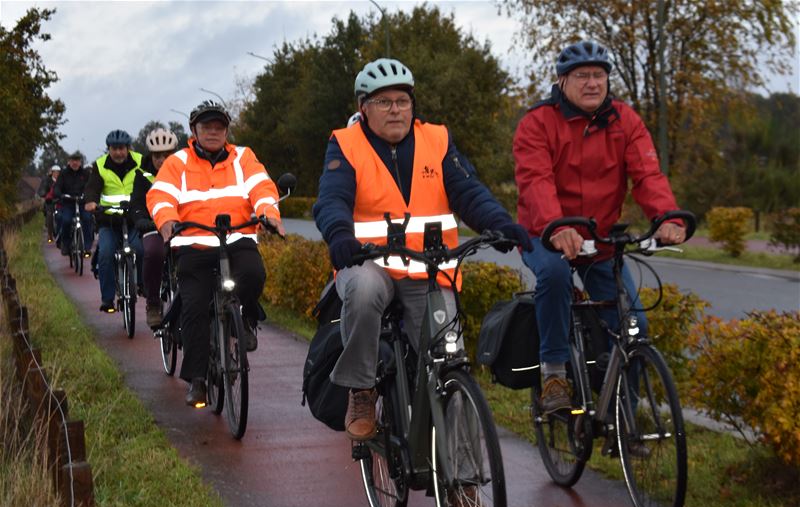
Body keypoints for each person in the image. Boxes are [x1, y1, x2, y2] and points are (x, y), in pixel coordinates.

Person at [313, 58, 531, 442]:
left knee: (450, 367)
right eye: (383, 102)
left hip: (429, 269)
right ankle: (361, 389)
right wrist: (339, 236)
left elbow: (468, 191)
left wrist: (500, 222)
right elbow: (332, 199)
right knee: (362, 293)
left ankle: (462, 486)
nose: (395, 109)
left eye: (402, 100)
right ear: (363, 108)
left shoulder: (437, 140)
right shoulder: (345, 143)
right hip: (369, 264)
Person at [513, 41, 686, 414]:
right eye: (582, 76)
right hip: (543, 233)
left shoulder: (625, 121)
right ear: (562, 81)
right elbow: (535, 181)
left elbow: (647, 175)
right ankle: (555, 373)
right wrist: (555, 227)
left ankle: (625, 417)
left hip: (599, 239)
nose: (592, 84)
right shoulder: (537, 123)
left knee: (634, 324)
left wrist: (667, 217)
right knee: (555, 276)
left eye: (599, 75)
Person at [146, 100, 285, 407]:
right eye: (206, 126)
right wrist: (167, 220)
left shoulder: (243, 157)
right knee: (193, 307)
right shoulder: (177, 162)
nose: (213, 131)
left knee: (253, 274)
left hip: (236, 240)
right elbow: (160, 194)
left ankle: (246, 317)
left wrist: (268, 212)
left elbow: (261, 186)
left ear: (226, 129)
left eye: (219, 126)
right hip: (193, 245)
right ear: (193, 130)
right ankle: (197, 380)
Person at [84, 130, 145, 313]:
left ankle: (142, 284)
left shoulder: (141, 161)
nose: (118, 153)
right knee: (106, 253)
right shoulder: (100, 165)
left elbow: (152, 181)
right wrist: (91, 202)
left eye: (122, 149)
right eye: (114, 149)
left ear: (128, 148)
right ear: (108, 149)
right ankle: (108, 298)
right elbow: (92, 187)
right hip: (108, 221)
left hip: (134, 219)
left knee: (141, 249)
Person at [130, 128, 179, 329]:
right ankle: (153, 303)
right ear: (151, 155)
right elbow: (137, 204)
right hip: (154, 227)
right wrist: (141, 220)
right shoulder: (142, 175)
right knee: (152, 252)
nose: (163, 160)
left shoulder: (184, 171)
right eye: (158, 156)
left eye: (167, 155)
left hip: (180, 226)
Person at [54, 152, 93, 257]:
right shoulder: (63, 174)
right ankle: (65, 245)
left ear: (80, 162)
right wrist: (60, 195)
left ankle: (87, 246)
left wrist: (88, 196)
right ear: (69, 162)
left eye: (77, 161)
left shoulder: (85, 174)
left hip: (82, 203)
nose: (75, 163)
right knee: (66, 220)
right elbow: (57, 187)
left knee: (87, 219)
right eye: (73, 161)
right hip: (68, 203)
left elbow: (91, 186)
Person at [38, 165, 61, 243]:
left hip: (60, 201)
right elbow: (42, 189)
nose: (56, 174)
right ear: (52, 173)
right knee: (49, 215)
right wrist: (45, 195)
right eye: (55, 172)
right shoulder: (47, 180)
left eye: (58, 172)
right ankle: (50, 234)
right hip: (50, 201)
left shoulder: (62, 180)